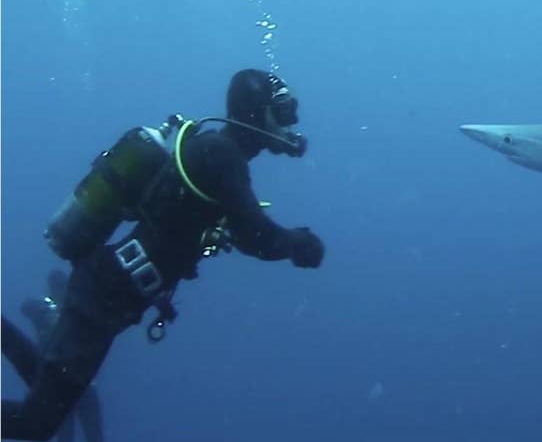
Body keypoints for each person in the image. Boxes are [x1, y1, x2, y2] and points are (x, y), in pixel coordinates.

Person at [2, 69, 326, 440]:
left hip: (103, 289)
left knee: (45, 393)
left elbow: (207, 232)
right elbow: (257, 237)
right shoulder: (222, 156)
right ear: (256, 111)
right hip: (101, 300)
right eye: (283, 110)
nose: (292, 121)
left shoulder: (213, 150)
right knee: (38, 423)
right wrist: (300, 243)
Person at [5, 270, 106, 442]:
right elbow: (26, 307)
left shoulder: (77, 307)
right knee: (71, 434)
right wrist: (45, 311)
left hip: (74, 385)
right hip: (69, 384)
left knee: (89, 435)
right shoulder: (48, 307)